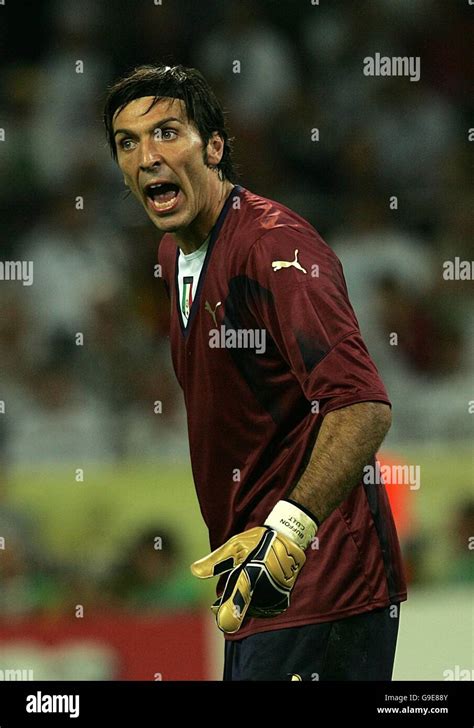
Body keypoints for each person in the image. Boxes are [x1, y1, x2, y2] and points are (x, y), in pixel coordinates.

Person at [103, 64, 407, 681]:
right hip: (257, 586)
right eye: (128, 143)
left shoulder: (274, 247)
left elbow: (360, 405)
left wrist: (288, 534)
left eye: (167, 133)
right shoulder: (174, 252)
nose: (146, 157)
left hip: (325, 584)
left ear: (215, 146)